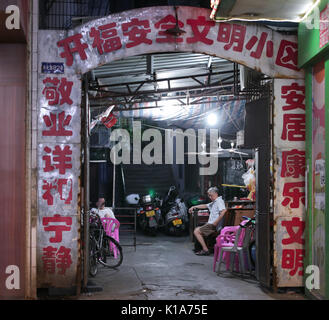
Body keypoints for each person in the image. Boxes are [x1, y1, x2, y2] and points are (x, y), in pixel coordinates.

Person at [189, 187, 227, 256]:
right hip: (211, 224)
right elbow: (205, 205)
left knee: (196, 231)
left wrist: (216, 222)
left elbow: (224, 211)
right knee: (198, 228)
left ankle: (205, 250)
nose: (210, 197)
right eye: (209, 195)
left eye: (211, 195)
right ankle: (200, 248)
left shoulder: (219, 201)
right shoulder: (214, 202)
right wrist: (194, 207)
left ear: (216, 194)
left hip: (213, 225)